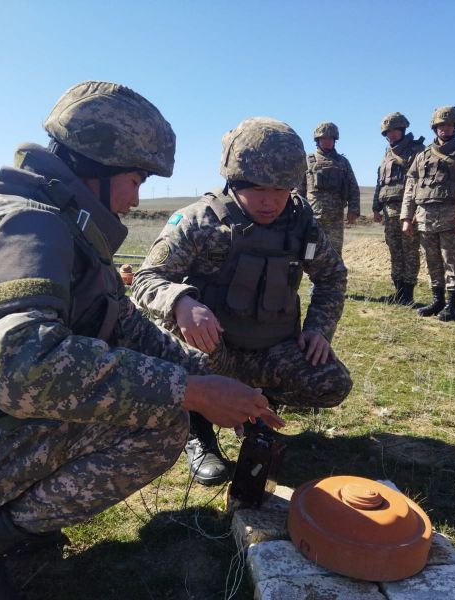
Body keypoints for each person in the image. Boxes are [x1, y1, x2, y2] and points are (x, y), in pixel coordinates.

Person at [0, 82, 281, 600]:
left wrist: (213, 380)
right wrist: (190, 394)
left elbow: (123, 324)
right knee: (161, 425)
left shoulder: (47, 213)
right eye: (135, 179)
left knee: (155, 398)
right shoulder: (21, 226)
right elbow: (21, 368)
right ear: (98, 168)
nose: (135, 198)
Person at [132, 117, 352, 486]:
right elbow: (146, 278)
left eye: (280, 189)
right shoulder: (200, 220)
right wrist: (181, 302)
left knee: (331, 381)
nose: (269, 201)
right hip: (214, 349)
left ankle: (254, 416)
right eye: (257, 189)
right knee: (182, 361)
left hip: (271, 347)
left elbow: (332, 276)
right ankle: (197, 434)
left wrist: (319, 329)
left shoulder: (302, 225)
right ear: (234, 181)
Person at [401, 106, 455, 321]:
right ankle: (437, 300)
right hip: (425, 216)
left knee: (451, 260)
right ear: (435, 128)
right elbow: (411, 187)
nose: (445, 129)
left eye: (449, 125)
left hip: (451, 215)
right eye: (441, 125)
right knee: (432, 261)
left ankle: (451, 304)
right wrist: (406, 216)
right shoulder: (422, 156)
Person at [372, 112, 425, 305]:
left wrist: (414, 212)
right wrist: (376, 207)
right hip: (388, 210)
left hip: (407, 210)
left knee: (409, 251)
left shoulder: (417, 150)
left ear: (402, 130)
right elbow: (380, 182)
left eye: (394, 131)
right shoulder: (387, 154)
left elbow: (421, 182)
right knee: (395, 250)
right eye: (388, 132)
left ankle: (408, 294)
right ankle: (399, 292)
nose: (391, 135)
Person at [296, 122, 360, 257]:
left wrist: (353, 210)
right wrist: (298, 212)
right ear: (317, 140)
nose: (327, 141)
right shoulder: (308, 160)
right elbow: (299, 189)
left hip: (336, 217)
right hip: (312, 216)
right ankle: (311, 277)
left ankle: (334, 278)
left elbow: (353, 187)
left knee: (334, 252)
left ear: (335, 140)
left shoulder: (343, 162)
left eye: (330, 138)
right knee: (310, 251)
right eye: (324, 138)